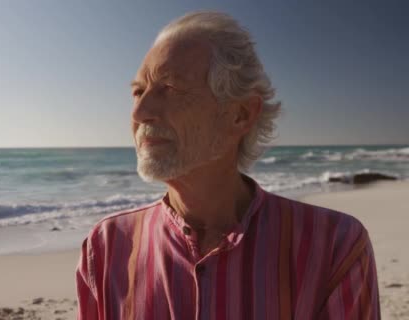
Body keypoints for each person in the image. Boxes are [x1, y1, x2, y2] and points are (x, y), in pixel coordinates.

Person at [75, 11, 380, 320]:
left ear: (241, 114)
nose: (140, 112)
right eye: (138, 91)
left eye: (168, 88)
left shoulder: (334, 247)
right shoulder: (106, 249)